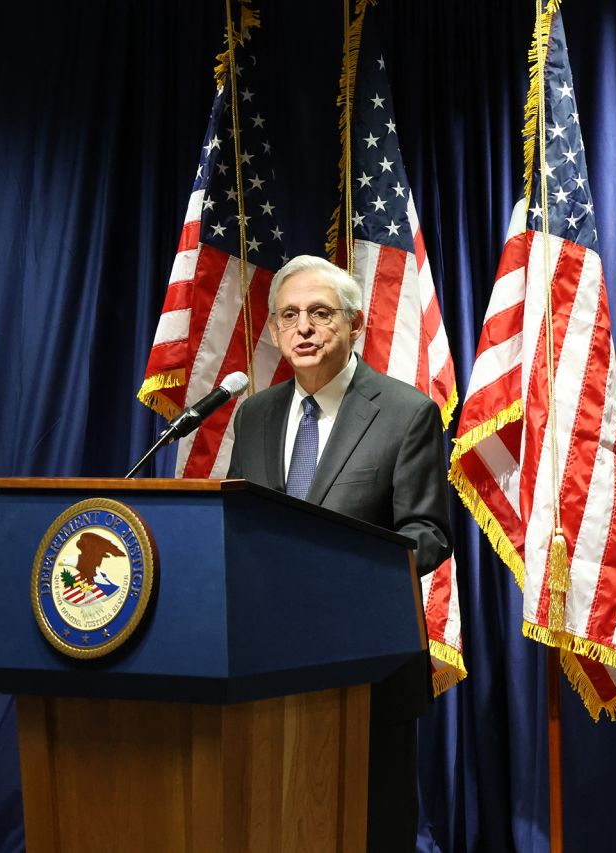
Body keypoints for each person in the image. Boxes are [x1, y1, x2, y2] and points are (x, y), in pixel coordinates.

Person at [227, 254, 452, 852]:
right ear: (273, 331)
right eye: (289, 316)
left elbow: (428, 532)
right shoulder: (254, 414)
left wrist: (339, 566)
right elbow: (233, 525)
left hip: (368, 663)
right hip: (266, 662)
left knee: (369, 828)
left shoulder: (406, 414)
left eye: (320, 314)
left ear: (354, 325)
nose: (303, 328)